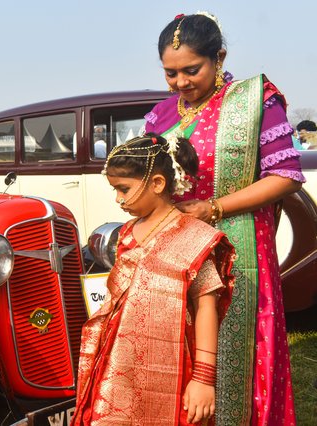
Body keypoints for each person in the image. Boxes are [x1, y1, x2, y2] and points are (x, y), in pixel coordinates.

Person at [143, 12, 304, 425]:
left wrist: (213, 209)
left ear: (219, 57)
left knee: (240, 356)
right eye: (170, 73)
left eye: (191, 70)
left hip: (240, 247)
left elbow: (285, 177)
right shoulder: (159, 116)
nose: (181, 82)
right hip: (179, 253)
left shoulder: (253, 102)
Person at [72, 134, 235, 425]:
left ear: (158, 183)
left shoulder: (195, 236)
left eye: (124, 189)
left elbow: (206, 308)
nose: (118, 199)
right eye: (115, 190)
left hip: (172, 366)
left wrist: (203, 379)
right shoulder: (126, 233)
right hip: (117, 363)